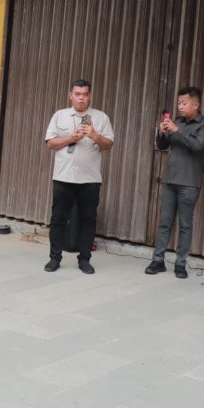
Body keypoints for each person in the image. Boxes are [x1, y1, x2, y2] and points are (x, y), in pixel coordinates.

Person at [43, 79, 114, 274]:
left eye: (85, 94)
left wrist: (94, 135)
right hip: (63, 177)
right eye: (77, 94)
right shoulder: (60, 115)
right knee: (58, 219)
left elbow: (108, 145)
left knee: (88, 219)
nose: (81, 98)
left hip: (90, 179)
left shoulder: (101, 117)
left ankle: (84, 259)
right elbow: (50, 143)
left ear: (90, 96)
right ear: (70, 96)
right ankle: (54, 258)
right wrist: (70, 138)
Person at [145, 87, 204, 279]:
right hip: (170, 180)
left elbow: (198, 146)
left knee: (185, 224)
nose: (180, 107)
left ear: (196, 104)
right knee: (164, 223)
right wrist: (161, 133)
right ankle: (157, 260)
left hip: (189, 182)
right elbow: (162, 146)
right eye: (179, 103)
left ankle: (180, 264)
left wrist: (177, 131)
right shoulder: (177, 121)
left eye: (184, 103)